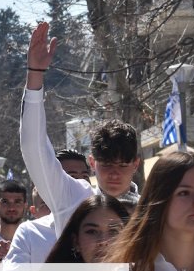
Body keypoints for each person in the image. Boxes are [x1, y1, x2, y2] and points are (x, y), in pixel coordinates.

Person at [22, 25, 138, 236]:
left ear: (136, 164)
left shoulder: (152, 212)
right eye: (107, 164)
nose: (114, 174)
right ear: (92, 163)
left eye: (122, 165)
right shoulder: (71, 197)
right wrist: (35, 76)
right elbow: (33, 147)